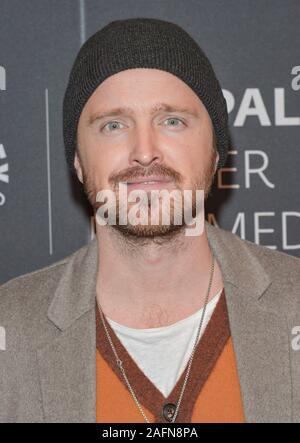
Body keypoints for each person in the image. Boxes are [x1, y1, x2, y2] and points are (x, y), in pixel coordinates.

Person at [0, 17, 300, 424]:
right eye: (113, 125)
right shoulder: (10, 329)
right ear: (77, 161)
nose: (144, 151)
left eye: (172, 121)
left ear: (216, 152)